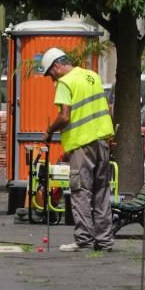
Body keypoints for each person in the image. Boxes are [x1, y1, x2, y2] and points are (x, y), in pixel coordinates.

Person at [40, 47, 116, 252]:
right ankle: (105, 240)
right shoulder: (92, 76)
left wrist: (49, 131)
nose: (51, 79)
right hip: (102, 141)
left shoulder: (65, 82)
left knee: (80, 191)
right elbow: (106, 108)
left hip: (82, 145)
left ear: (57, 66)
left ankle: (84, 240)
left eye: (50, 73)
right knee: (101, 191)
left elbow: (65, 116)